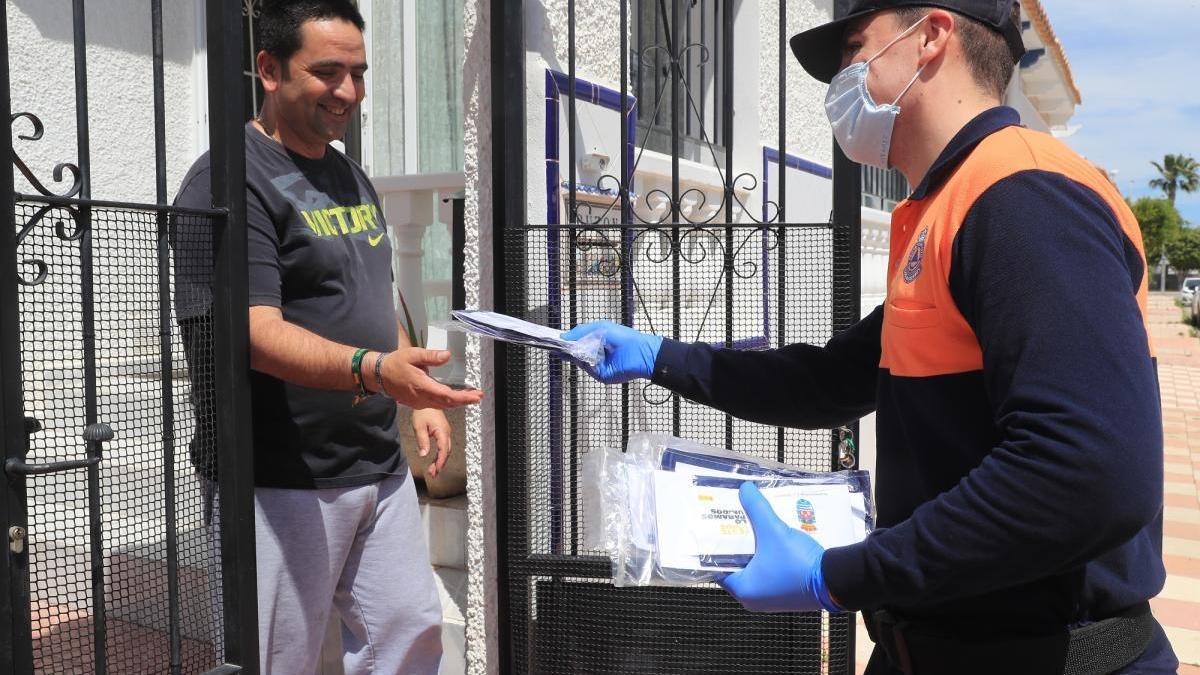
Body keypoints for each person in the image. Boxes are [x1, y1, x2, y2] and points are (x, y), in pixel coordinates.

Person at [562, 0, 1176, 672]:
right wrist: (660, 357)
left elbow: (1090, 471)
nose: (841, 82)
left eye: (856, 49)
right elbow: (831, 381)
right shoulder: (953, 203)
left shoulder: (1021, 195)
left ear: (932, 37)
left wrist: (844, 575)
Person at [171, 1, 482, 673]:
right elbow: (253, 334)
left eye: (360, 73)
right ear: (269, 69)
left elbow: (374, 293)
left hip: (377, 470)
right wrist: (376, 371)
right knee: (273, 660)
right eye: (328, 71)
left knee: (410, 636)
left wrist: (417, 396)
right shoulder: (226, 181)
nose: (349, 92)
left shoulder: (346, 173)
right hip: (278, 479)